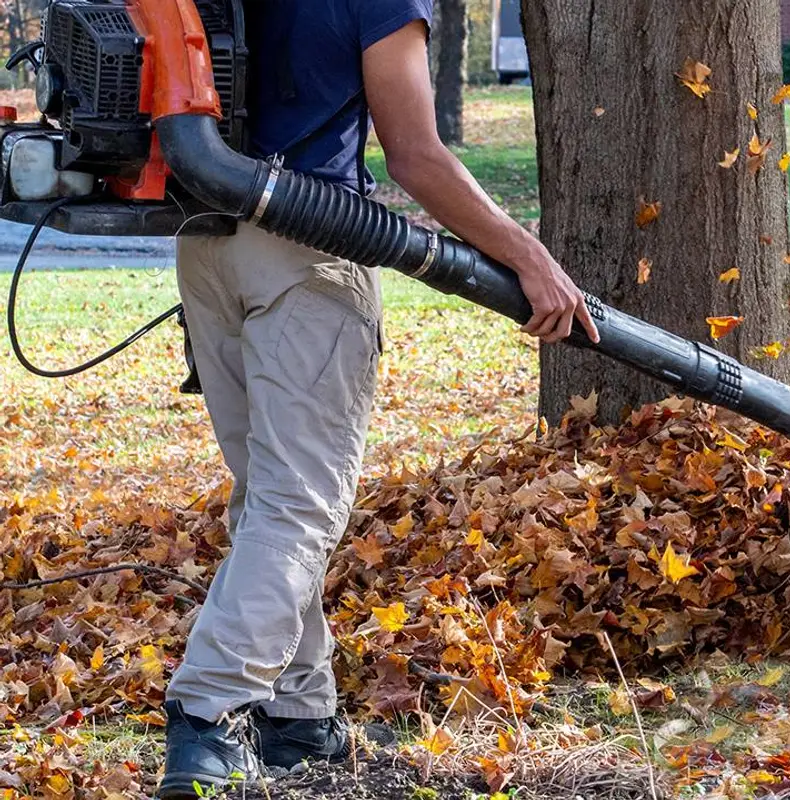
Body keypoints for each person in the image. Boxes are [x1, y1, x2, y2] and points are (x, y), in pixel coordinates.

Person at [157, 2, 599, 796]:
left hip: (208, 242)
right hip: (309, 247)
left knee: (270, 498)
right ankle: (208, 717)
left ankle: (298, 718)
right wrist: (529, 254)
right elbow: (417, 156)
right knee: (298, 508)